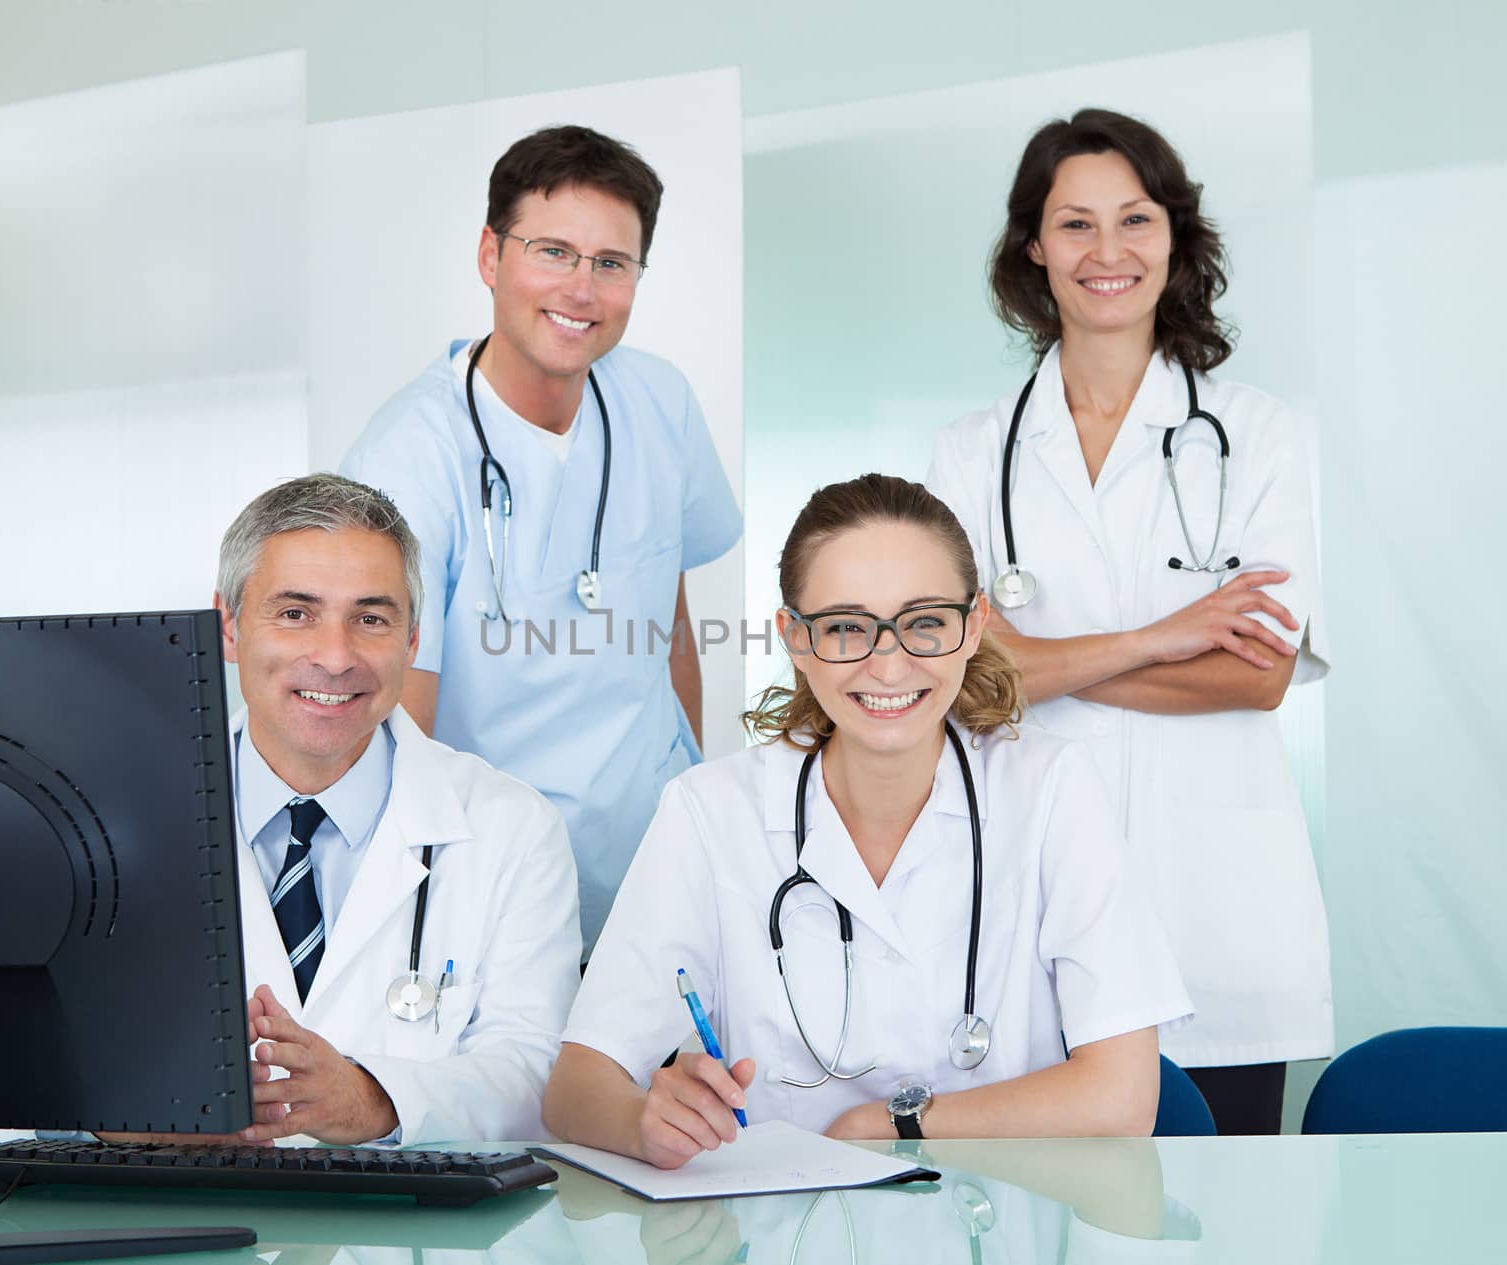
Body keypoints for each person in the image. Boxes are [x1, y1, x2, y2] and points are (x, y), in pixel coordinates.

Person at [543, 474, 1191, 1167]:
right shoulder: (710, 812)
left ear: (973, 627)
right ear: (794, 637)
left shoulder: (1050, 789)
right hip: (786, 1232)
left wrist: (887, 1125)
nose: (888, 663)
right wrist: (643, 1117)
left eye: (924, 623)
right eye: (847, 627)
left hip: (1003, 1227)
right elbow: (575, 1086)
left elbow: (1124, 1096)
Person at [925, 108, 1331, 1135]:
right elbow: (957, 678)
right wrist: (1164, 633)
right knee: (1039, 1224)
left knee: (1229, 1219)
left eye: (1135, 219)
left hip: (1218, 915)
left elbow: (1257, 676)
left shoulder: (1254, 434)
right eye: (1074, 225)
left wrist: (1027, 659)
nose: (1107, 252)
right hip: (1035, 904)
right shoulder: (970, 456)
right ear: (1032, 247)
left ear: (1174, 239)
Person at [340, 125, 742, 958]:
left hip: (653, 876)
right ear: (491, 256)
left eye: (611, 262)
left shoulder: (658, 401)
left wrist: (689, 816)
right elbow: (393, 725)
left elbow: (669, 627)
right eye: (553, 250)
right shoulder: (409, 456)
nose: (582, 288)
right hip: (495, 896)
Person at [212, 473, 581, 1145]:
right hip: (181, 1224)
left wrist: (374, 1100)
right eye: (295, 613)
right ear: (229, 625)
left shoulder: (514, 829)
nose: (334, 655)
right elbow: (57, 1060)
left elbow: (538, 1079)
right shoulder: (130, 821)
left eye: (371, 618)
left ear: (413, 641)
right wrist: (148, 1117)